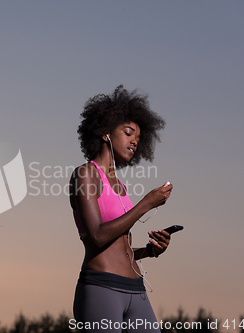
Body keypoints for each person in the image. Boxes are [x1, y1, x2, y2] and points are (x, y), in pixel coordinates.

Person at [70, 85, 173, 333]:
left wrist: (148, 251)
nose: (134, 141)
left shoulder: (121, 186)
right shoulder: (85, 175)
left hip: (136, 290)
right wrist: (146, 204)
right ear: (106, 132)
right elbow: (96, 237)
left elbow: (117, 249)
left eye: (137, 137)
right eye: (128, 133)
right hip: (102, 288)